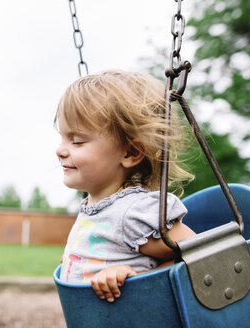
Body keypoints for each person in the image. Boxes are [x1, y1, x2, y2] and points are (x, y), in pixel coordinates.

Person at [55, 70, 196, 303]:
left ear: (131, 152)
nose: (60, 150)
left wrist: (130, 277)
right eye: (62, 138)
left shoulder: (136, 210)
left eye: (77, 141)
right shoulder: (97, 204)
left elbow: (200, 255)